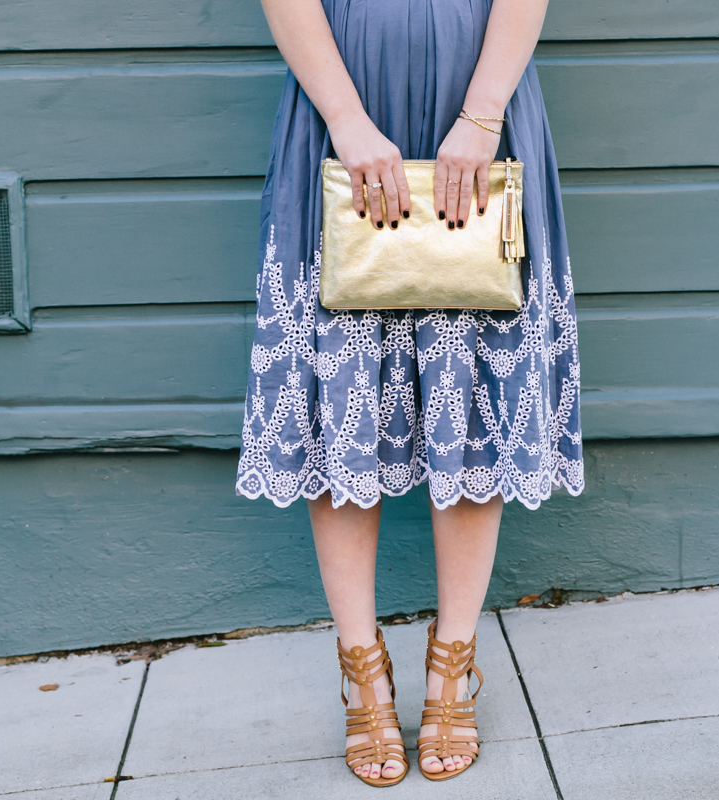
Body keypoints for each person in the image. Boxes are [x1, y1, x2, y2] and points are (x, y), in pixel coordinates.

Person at [236, 0, 583, 786]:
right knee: (343, 396)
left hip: (479, 107)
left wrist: (484, 113)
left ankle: (451, 669)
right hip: (342, 114)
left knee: (473, 394)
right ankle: (363, 674)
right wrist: (347, 120)